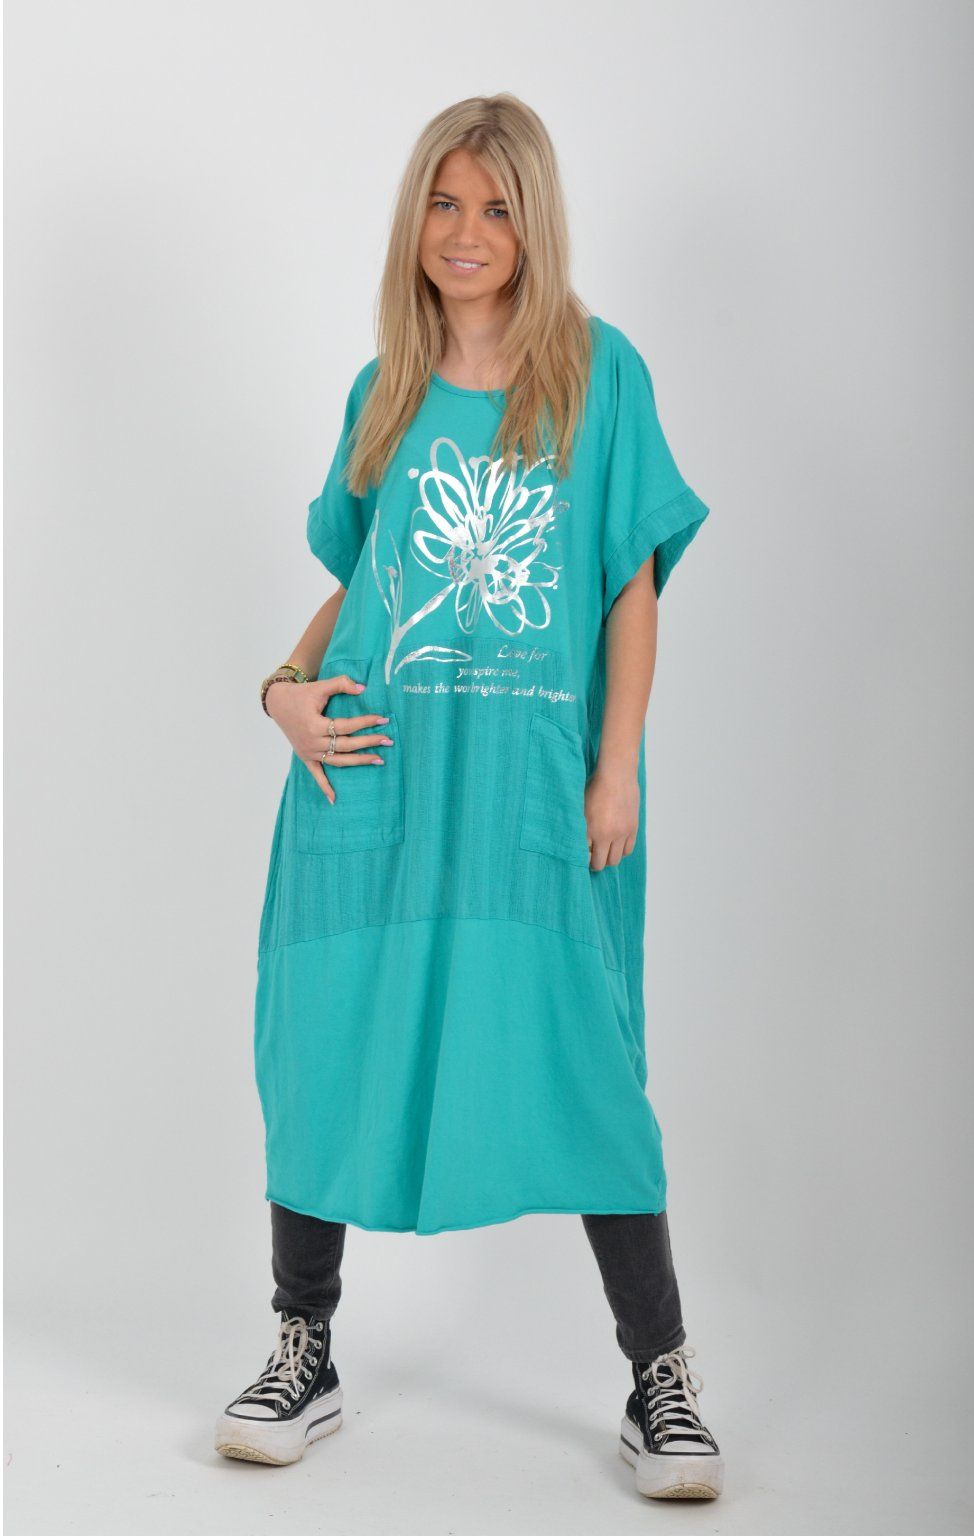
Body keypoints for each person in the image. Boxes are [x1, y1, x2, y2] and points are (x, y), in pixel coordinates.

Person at [213, 93, 723, 1502]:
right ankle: (301, 1348)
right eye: (445, 202)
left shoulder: (599, 377)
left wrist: (616, 763)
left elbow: (629, 587)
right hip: (371, 778)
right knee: (326, 1044)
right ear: (415, 219)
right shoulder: (383, 388)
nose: (467, 232)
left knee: (587, 1064)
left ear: (535, 223)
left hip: (527, 795)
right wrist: (282, 690)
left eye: (497, 207)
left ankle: (662, 1377)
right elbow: (364, 582)